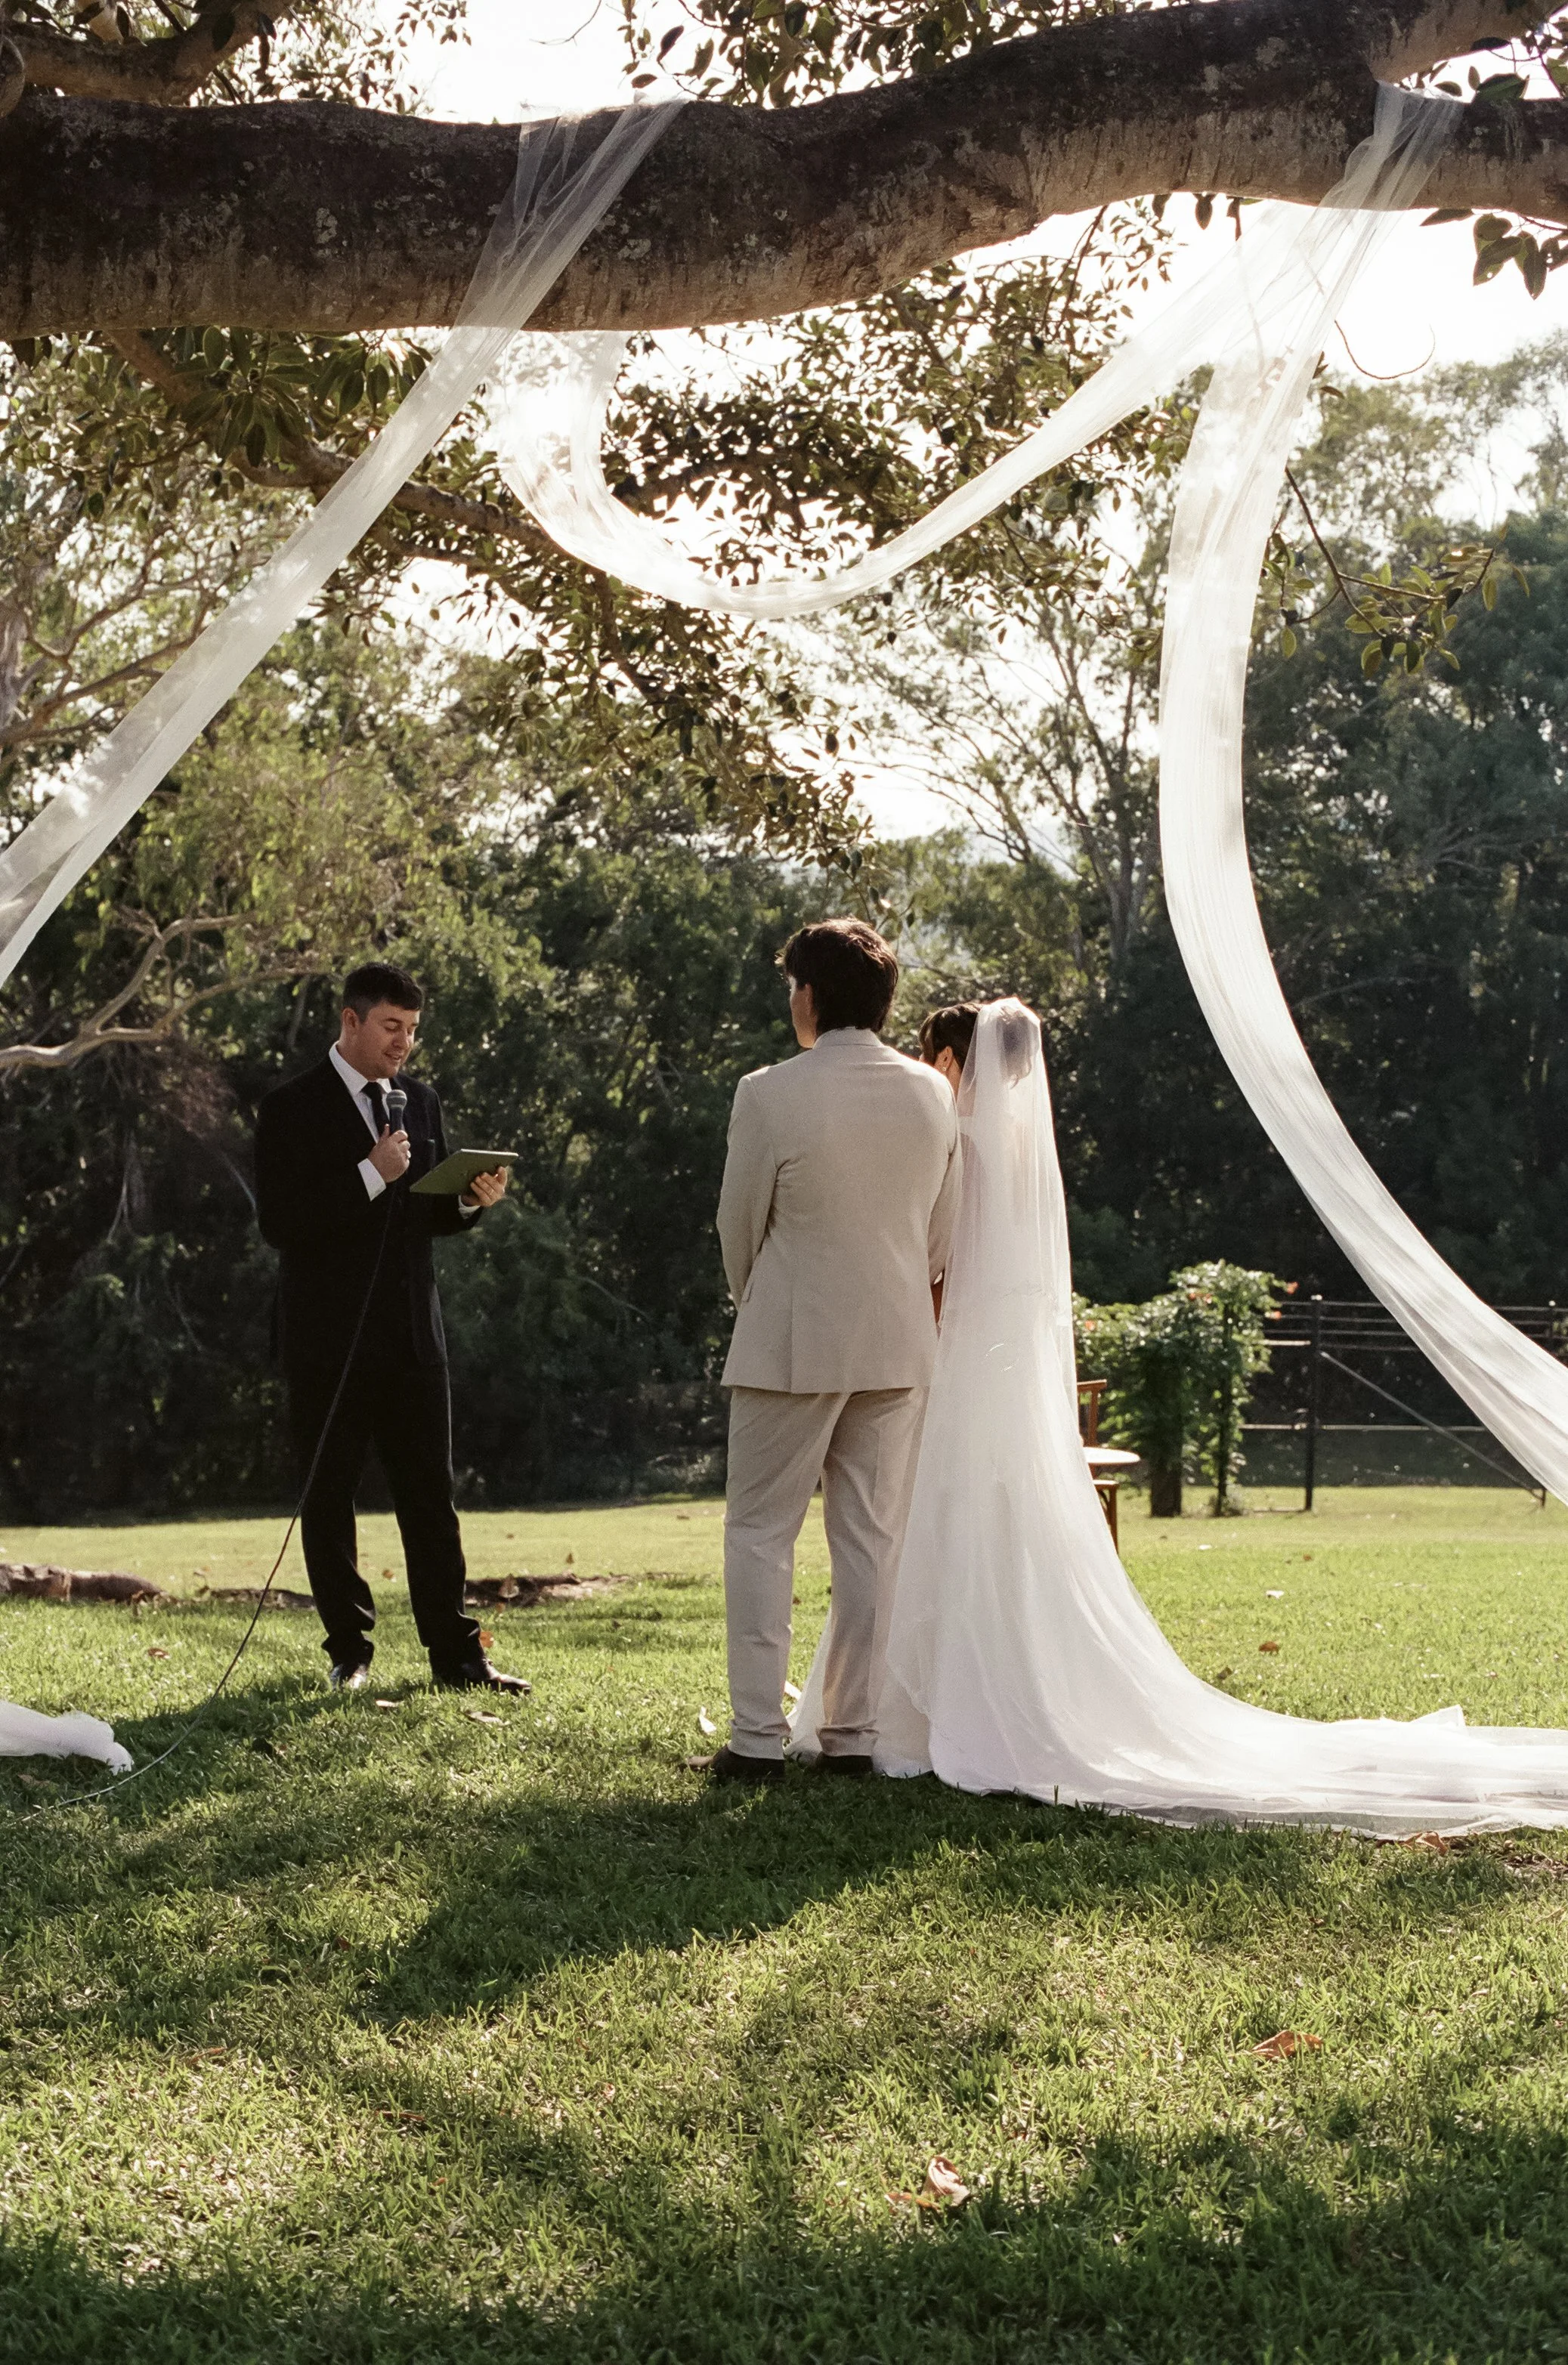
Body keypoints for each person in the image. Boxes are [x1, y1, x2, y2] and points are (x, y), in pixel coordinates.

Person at [791, 998, 1568, 1834]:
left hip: (954, 1359)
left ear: (954, 1062)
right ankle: (974, 1683)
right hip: (1007, 1374)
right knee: (999, 1525)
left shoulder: (960, 1145)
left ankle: (907, 1709)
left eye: (933, 1057)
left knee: (915, 1517)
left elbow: (935, 1259)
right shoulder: (1027, 1151)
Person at [700, 919, 962, 1785]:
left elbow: (738, 1223)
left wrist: (758, 1301)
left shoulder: (768, 1091)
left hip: (788, 1335)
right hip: (896, 1340)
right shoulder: (932, 1094)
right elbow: (939, 1234)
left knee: (759, 1534)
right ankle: (850, 1734)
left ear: (806, 996)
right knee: (870, 1543)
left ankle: (754, 1737)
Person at [255, 961, 527, 1696]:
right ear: (350, 1021)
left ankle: (457, 1657)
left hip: (413, 1340)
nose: (402, 1043)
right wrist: (370, 1172)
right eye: (390, 1027)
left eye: (411, 1030)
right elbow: (280, 1223)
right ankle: (350, 1651)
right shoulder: (291, 1108)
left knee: (431, 1503)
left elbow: (425, 1217)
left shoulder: (420, 1102)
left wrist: (470, 1201)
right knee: (329, 1500)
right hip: (328, 1347)